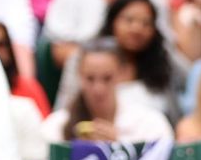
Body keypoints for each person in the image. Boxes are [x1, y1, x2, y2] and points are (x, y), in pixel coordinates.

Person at [45, 36, 175, 141]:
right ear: (79, 75)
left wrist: (118, 149)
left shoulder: (149, 124)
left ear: (123, 74)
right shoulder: (56, 125)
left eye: (107, 78)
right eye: (90, 78)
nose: (98, 89)